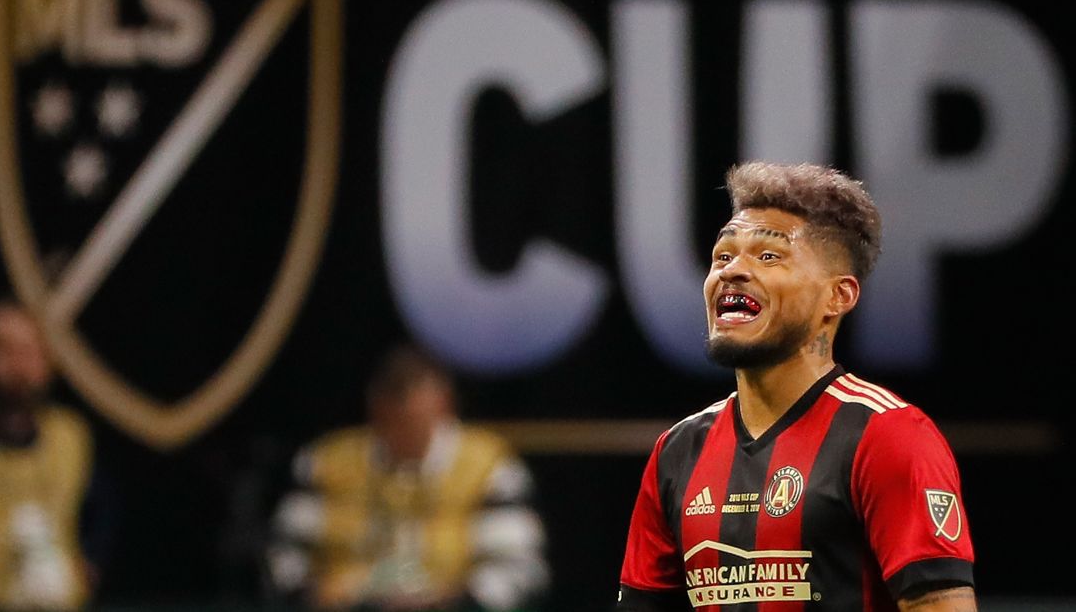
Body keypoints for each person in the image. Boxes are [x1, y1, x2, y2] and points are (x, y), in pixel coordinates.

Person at [616, 161, 976, 611]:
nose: (732, 271)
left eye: (768, 257)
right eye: (723, 256)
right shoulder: (678, 451)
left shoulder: (887, 435)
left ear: (837, 296)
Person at [267, 343, 550, 611]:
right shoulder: (325, 463)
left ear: (444, 406)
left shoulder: (490, 467)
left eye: (415, 421)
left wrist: (454, 599)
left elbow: (518, 567)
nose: (403, 433)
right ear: (375, 410)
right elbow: (285, 559)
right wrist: (314, 595)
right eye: (392, 422)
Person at [0, 292, 112, 610]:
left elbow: (102, 510)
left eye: (32, 351)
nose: (22, 366)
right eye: (6, 350)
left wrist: (89, 567)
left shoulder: (70, 436)